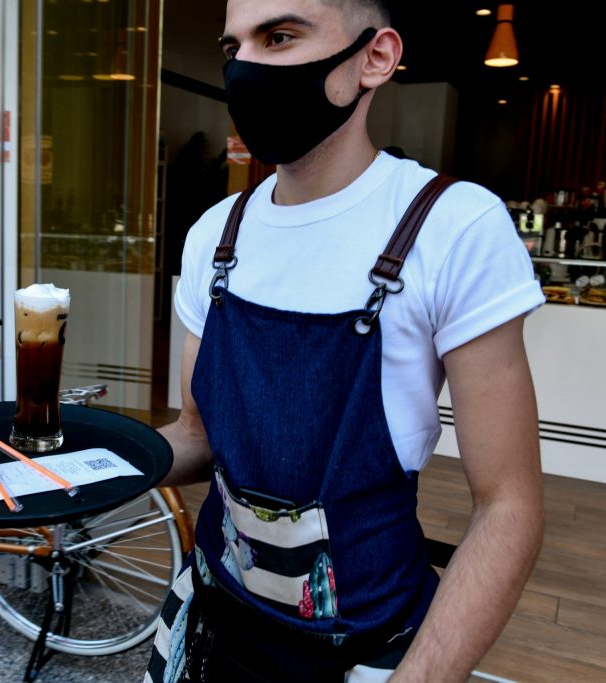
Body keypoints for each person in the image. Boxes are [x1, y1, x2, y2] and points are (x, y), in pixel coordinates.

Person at [146, 1, 545, 681]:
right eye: (234, 47)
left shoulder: (453, 227)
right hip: (210, 614)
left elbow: (509, 506)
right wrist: (87, 464)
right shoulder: (215, 234)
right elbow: (197, 437)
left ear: (375, 57)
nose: (245, 68)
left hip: (363, 644)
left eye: (279, 37)